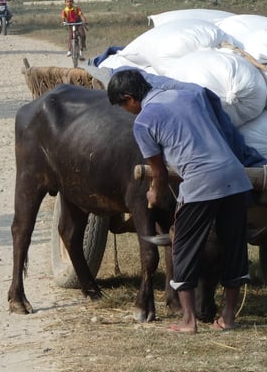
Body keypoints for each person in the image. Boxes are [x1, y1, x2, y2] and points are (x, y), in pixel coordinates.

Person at [107, 69, 252, 333]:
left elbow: (159, 172)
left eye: (123, 106)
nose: (126, 111)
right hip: (237, 178)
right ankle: (228, 318)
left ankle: (188, 320)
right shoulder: (187, 97)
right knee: (234, 246)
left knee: (183, 247)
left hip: (200, 184)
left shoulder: (143, 122)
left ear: (130, 99)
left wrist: (153, 192)